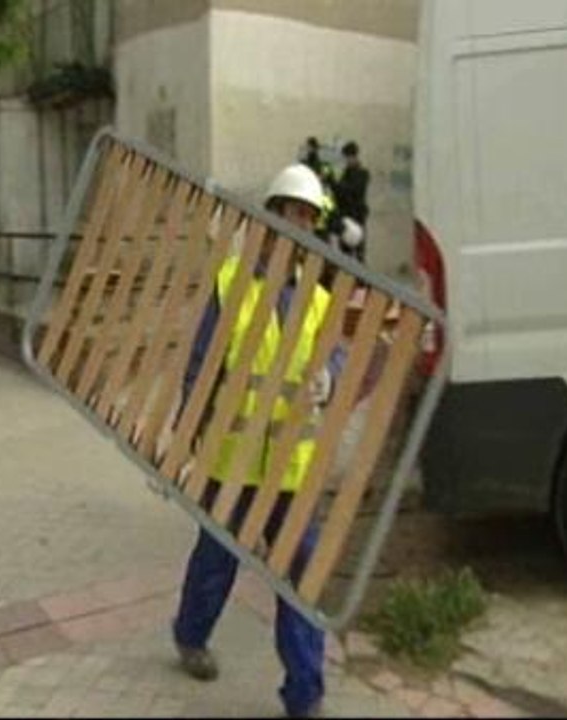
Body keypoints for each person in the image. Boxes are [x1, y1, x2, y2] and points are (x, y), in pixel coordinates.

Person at [172, 163, 345, 719]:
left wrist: (330, 376)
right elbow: (200, 364)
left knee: (299, 578)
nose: (298, 224)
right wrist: (186, 437)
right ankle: (190, 635)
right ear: (268, 219)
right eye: (290, 213)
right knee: (216, 560)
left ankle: (305, 694)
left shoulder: (317, 301)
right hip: (233, 460)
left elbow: (336, 356)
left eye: (307, 217)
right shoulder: (230, 284)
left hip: (292, 467)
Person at [333, 141, 370, 263]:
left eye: (347, 157)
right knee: (345, 254)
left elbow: (352, 192)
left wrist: (335, 184)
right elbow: (340, 194)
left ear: (353, 156)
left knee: (358, 254)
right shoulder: (346, 174)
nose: (346, 161)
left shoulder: (362, 174)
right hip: (346, 216)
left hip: (357, 216)